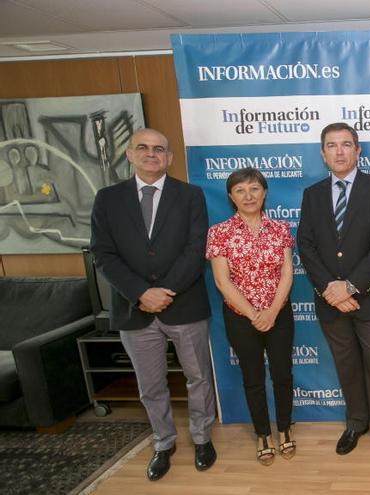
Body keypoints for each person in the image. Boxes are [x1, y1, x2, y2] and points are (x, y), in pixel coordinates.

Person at [90, 128, 216, 481]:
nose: (151, 154)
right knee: (150, 384)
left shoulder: (190, 196)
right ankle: (163, 443)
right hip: (134, 309)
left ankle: (203, 438)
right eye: (142, 148)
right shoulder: (108, 199)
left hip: (184, 304)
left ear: (169, 157)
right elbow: (103, 254)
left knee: (198, 378)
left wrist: (164, 291)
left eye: (159, 149)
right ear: (129, 155)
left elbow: (195, 250)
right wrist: (141, 293)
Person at [297, 122, 370, 469]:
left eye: (346, 144)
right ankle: (357, 423)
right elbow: (307, 246)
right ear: (322, 153)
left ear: (358, 151)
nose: (340, 151)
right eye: (332, 145)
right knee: (347, 367)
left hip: (369, 299)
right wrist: (332, 290)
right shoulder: (312, 194)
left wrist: (350, 286)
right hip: (330, 301)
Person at [206, 167, 294, 466]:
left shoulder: (280, 228)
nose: (248, 195)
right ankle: (262, 435)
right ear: (231, 196)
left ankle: (284, 430)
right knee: (253, 378)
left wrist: (271, 311)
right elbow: (222, 281)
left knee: (283, 375)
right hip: (241, 318)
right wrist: (254, 314)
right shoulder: (219, 233)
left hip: (278, 314)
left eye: (254, 188)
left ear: (264, 192)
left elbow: (286, 273)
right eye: (240, 190)